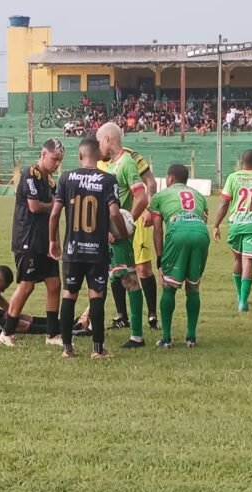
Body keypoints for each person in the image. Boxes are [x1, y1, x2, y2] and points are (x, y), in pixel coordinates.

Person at [49, 137, 127, 358]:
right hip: (97, 250)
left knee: (69, 295)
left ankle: (67, 349)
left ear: (80, 155)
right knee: (96, 295)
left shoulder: (66, 178)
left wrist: (53, 241)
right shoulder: (108, 179)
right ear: (98, 155)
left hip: (72, 249)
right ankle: (98, 349)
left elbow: (55, 213)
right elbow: (113, 213)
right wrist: (121, 233)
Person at [0, 138, 65, 347]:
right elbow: (34, 206)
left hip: (45, 241)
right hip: (27, 240)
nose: (57, 164)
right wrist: (54, 204)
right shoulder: (30, 174)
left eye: (60, 161)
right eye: (54, 159)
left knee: (54, 284)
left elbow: (53, 215)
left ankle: (52, 334)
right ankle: (6, 333)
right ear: (43, 154)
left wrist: (55, 241)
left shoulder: (51, 182)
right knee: (27, 286)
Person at [95, 122, 149, 348]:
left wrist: (125, 226)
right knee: (102, 280)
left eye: (100, 141)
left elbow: (142, 197)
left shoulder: (126, 163)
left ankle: (137, 335)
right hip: (102, 236)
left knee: (129, 280)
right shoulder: (109, 166)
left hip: (117, 238)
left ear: (108, 139)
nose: (98, 146)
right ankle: (91, 324)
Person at [149, 164, 210, 349]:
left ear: (170, 178)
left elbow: (158, 228)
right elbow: (204, 218)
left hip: (177, 232)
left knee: (169, 287)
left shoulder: (160, 196)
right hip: (200, 233)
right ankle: (191, 337)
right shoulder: (198, 195)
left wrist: (159, 258)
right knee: (193, 287)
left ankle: (166, 338)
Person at [212, 149, 252, 313]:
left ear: (241, 162)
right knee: (248, 262)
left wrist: (216, 225)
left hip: (236, 224)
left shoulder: (233, 177)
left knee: (237, 259)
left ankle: (239, 296)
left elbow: (224, 203)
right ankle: (243, 302)